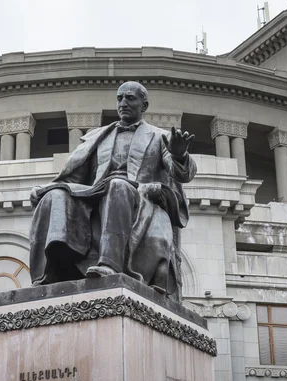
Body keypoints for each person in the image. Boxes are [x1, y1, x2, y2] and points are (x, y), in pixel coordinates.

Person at [29, 81, 196, 298]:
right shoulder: (99, 136)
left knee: (118, 186)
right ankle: (51, 270)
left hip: (139, 195)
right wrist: (47, 188)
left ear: (144, 105)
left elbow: (182, 174)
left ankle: (110, 264)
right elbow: (76, 176)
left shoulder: (159, 137)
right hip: (96, 193)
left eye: (130, 98)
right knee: (54, 196)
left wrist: (180, 155)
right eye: (119, 98)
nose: (123, 103)